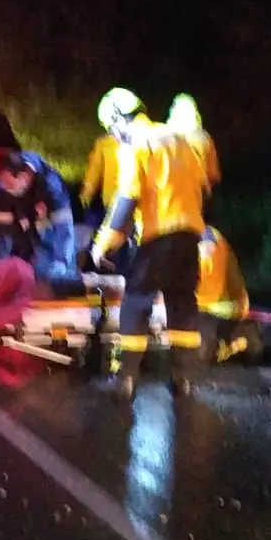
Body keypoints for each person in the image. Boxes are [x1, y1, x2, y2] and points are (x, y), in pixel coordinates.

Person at [90, 87, 209, 400]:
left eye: (111, 129)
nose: (113, 136)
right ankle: (182, 380)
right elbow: (202, 186)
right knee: (182, 304)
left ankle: (126, 379)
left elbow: (128, 194)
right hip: (189, 235)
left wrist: (104, 241)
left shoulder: (137, 144)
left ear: (117, 118)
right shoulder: (179, 140)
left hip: (159, 235)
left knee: (136, 302)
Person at [0, 149, 79, 284]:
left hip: (51, 237)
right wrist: (1, 261)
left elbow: (64, 229)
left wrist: (61, 260)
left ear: (24, 177)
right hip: (29, 238)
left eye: (10, 185)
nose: (6, 188)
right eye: (3, 184)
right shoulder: (5, 182)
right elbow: (1, 230)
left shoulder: (53, 188)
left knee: (60, 280)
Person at [195, 227, 262, 364]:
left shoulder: (206, 242)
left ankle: (238, 338)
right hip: (208, 306)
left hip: (215, 307)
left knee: (197, 353)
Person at [167, 93, 222, 192]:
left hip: (172, 196)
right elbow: (213, 175)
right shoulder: (204, 138)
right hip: (199, 193)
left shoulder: (166, 138)